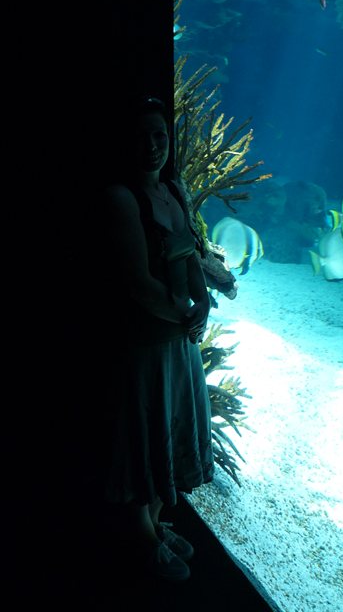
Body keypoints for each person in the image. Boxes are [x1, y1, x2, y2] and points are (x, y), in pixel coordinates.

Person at [102, 94, 214, 582]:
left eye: (160, 135)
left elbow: (190, 255)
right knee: (144, 436)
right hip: (147, 343)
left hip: (180, 340)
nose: (153, 145)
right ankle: (140, 537)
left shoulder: (174, 188)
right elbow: (137, 282)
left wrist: (202, 304)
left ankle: (154, 521)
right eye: (142, 137)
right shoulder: (120, 198)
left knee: (169, 428)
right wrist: (183, 313)